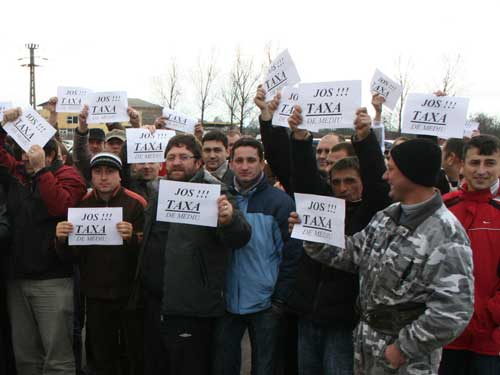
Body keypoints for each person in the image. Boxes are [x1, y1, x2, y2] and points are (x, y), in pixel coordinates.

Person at [292, 138, 474, 374]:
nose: (385, 177)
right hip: (366, 351)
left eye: (391, 170)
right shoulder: (388, 216)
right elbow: (353, 253)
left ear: (412, 175)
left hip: (406, 362)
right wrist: (312, 232)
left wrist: (402, 348)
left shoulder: (446, 233)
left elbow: (454, 310)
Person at [285, 106, 391, 375]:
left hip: (343, 322)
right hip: (308, 313)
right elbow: (306, 180)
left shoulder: (372, 213)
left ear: (363, 182)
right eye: (337, 182)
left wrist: (365, 137)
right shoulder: (325, 205)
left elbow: (379, 186)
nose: (343, 188)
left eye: (351, 181)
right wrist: (299, 138)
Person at [135, 134, 251, 375]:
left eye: (184, 157)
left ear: (198, 163)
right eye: (171, 157)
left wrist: (229, 221)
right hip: (155, 303)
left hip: (191, 307)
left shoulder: (216, 192)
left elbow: (240, 237)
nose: (177, 162)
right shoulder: (160, 193)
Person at [0, 108, 87, 375]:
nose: (25, 157)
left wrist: (41, 171)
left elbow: (60, 206)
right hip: (18, 280)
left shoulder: (69, 176)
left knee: (57, 357)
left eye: (32, 152)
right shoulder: (18, 174)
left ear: (50, 155)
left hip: (53, 280)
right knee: (25, 356)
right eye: (23, 152)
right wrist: (3, 124)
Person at [213, 137, 302, 375]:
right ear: (230, 163)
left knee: (265, 368)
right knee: (224, 366)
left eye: (251, 160)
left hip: (265, 302)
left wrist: (280, 299)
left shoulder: (280, 202)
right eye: (239, 160)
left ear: (262, 163)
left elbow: (292, 254)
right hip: (226, 300)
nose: (245, 166)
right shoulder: (219, 199)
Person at [55, 152, 147, 375]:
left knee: (132, 352)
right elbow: (71, 257)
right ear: (91, 177)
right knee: (100, 354)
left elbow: (150, 249)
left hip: (130, 294)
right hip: (95, 295)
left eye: (110, 172)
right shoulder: (80, 205)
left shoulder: (137, 203)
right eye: (98, 172)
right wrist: (60, 239)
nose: (104, 177)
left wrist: (133, 238)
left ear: (120, 176)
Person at [439, 135, 500, 375]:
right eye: (475, 163)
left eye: (490, 162)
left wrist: (490, 315)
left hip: (490, 341)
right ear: (462, 165)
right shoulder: (444, 207)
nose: (482, 170)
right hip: (446, 335)